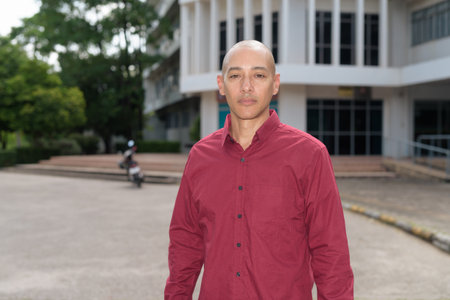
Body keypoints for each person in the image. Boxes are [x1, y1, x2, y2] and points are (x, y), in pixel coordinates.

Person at [165, 40, 353, 299]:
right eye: (235, 75)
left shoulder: (310, 155)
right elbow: (185, 242)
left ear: (275, 84)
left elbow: (331, 252)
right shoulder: (200, 157)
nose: (246, 86)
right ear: (221, 85)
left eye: (258, 75)